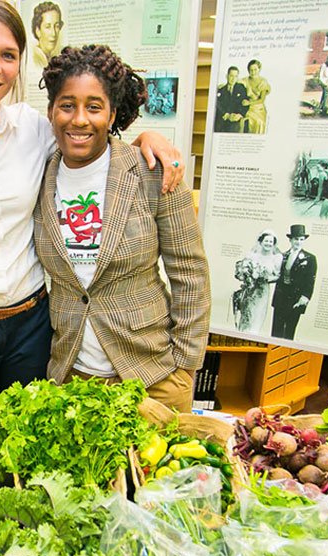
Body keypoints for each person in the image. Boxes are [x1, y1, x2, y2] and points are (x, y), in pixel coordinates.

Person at [0, 0, 182, 418]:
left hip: (34, 327)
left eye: (8, 55)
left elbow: (90, 140)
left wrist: (148, 138)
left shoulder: (32, 129)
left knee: (29, 455)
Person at [34, 44, 210, 413]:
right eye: (67, 105)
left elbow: (190, 274)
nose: (79, 119)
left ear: (112, 112)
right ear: (51, 111)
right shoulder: (36, 175)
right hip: (71, 378)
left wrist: (185, 366)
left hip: (154, 375)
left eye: (94, 107)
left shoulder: (152, 173)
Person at [271, 224, 316, 339]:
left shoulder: (310, 258)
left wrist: (305, 297)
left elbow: (310, 280)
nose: (299, 242)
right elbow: (277, 274)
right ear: (290, 240)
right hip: (281, 297)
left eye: (301, 239)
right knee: (276, 330)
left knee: (289, 331)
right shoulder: (283, 255)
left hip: (295, 299)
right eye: (296, 239)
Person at [232, 230, 281, 334]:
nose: (268, 243)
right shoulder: (252, 256)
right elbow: (242, 271)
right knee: (246, 314)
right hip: (250, 289)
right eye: (266, 241)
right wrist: (246, 276)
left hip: (262, 291)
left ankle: (253, 334)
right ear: (261, 242)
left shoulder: (276, 258)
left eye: (271, 242)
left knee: (258, 315)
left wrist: (267, 278)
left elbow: (277, 275)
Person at [214, 66, 248, 132]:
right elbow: (217, 105)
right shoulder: (220, 90)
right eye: (231, 76)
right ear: (227, 76)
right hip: (224, 118)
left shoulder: (241, 88)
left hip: (236, 118)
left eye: (236, 76)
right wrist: (226, 114)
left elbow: (245, 103)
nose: (233, 79)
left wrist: (240, 114)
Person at [30, 2, 63, 67]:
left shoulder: (61, 56)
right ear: (38, 31)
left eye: (57, 26)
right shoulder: (30, 60)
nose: (53, 34)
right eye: (48, 27)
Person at [242, 59, 270, 134]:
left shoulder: (263, 81)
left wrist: (249, 103)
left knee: (259, 122)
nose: (253, 72)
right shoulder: (244, 80)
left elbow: (261, 100)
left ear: (259, 69)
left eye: (255, 69)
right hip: (247, 108)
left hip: (259, 108)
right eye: (251, 70)